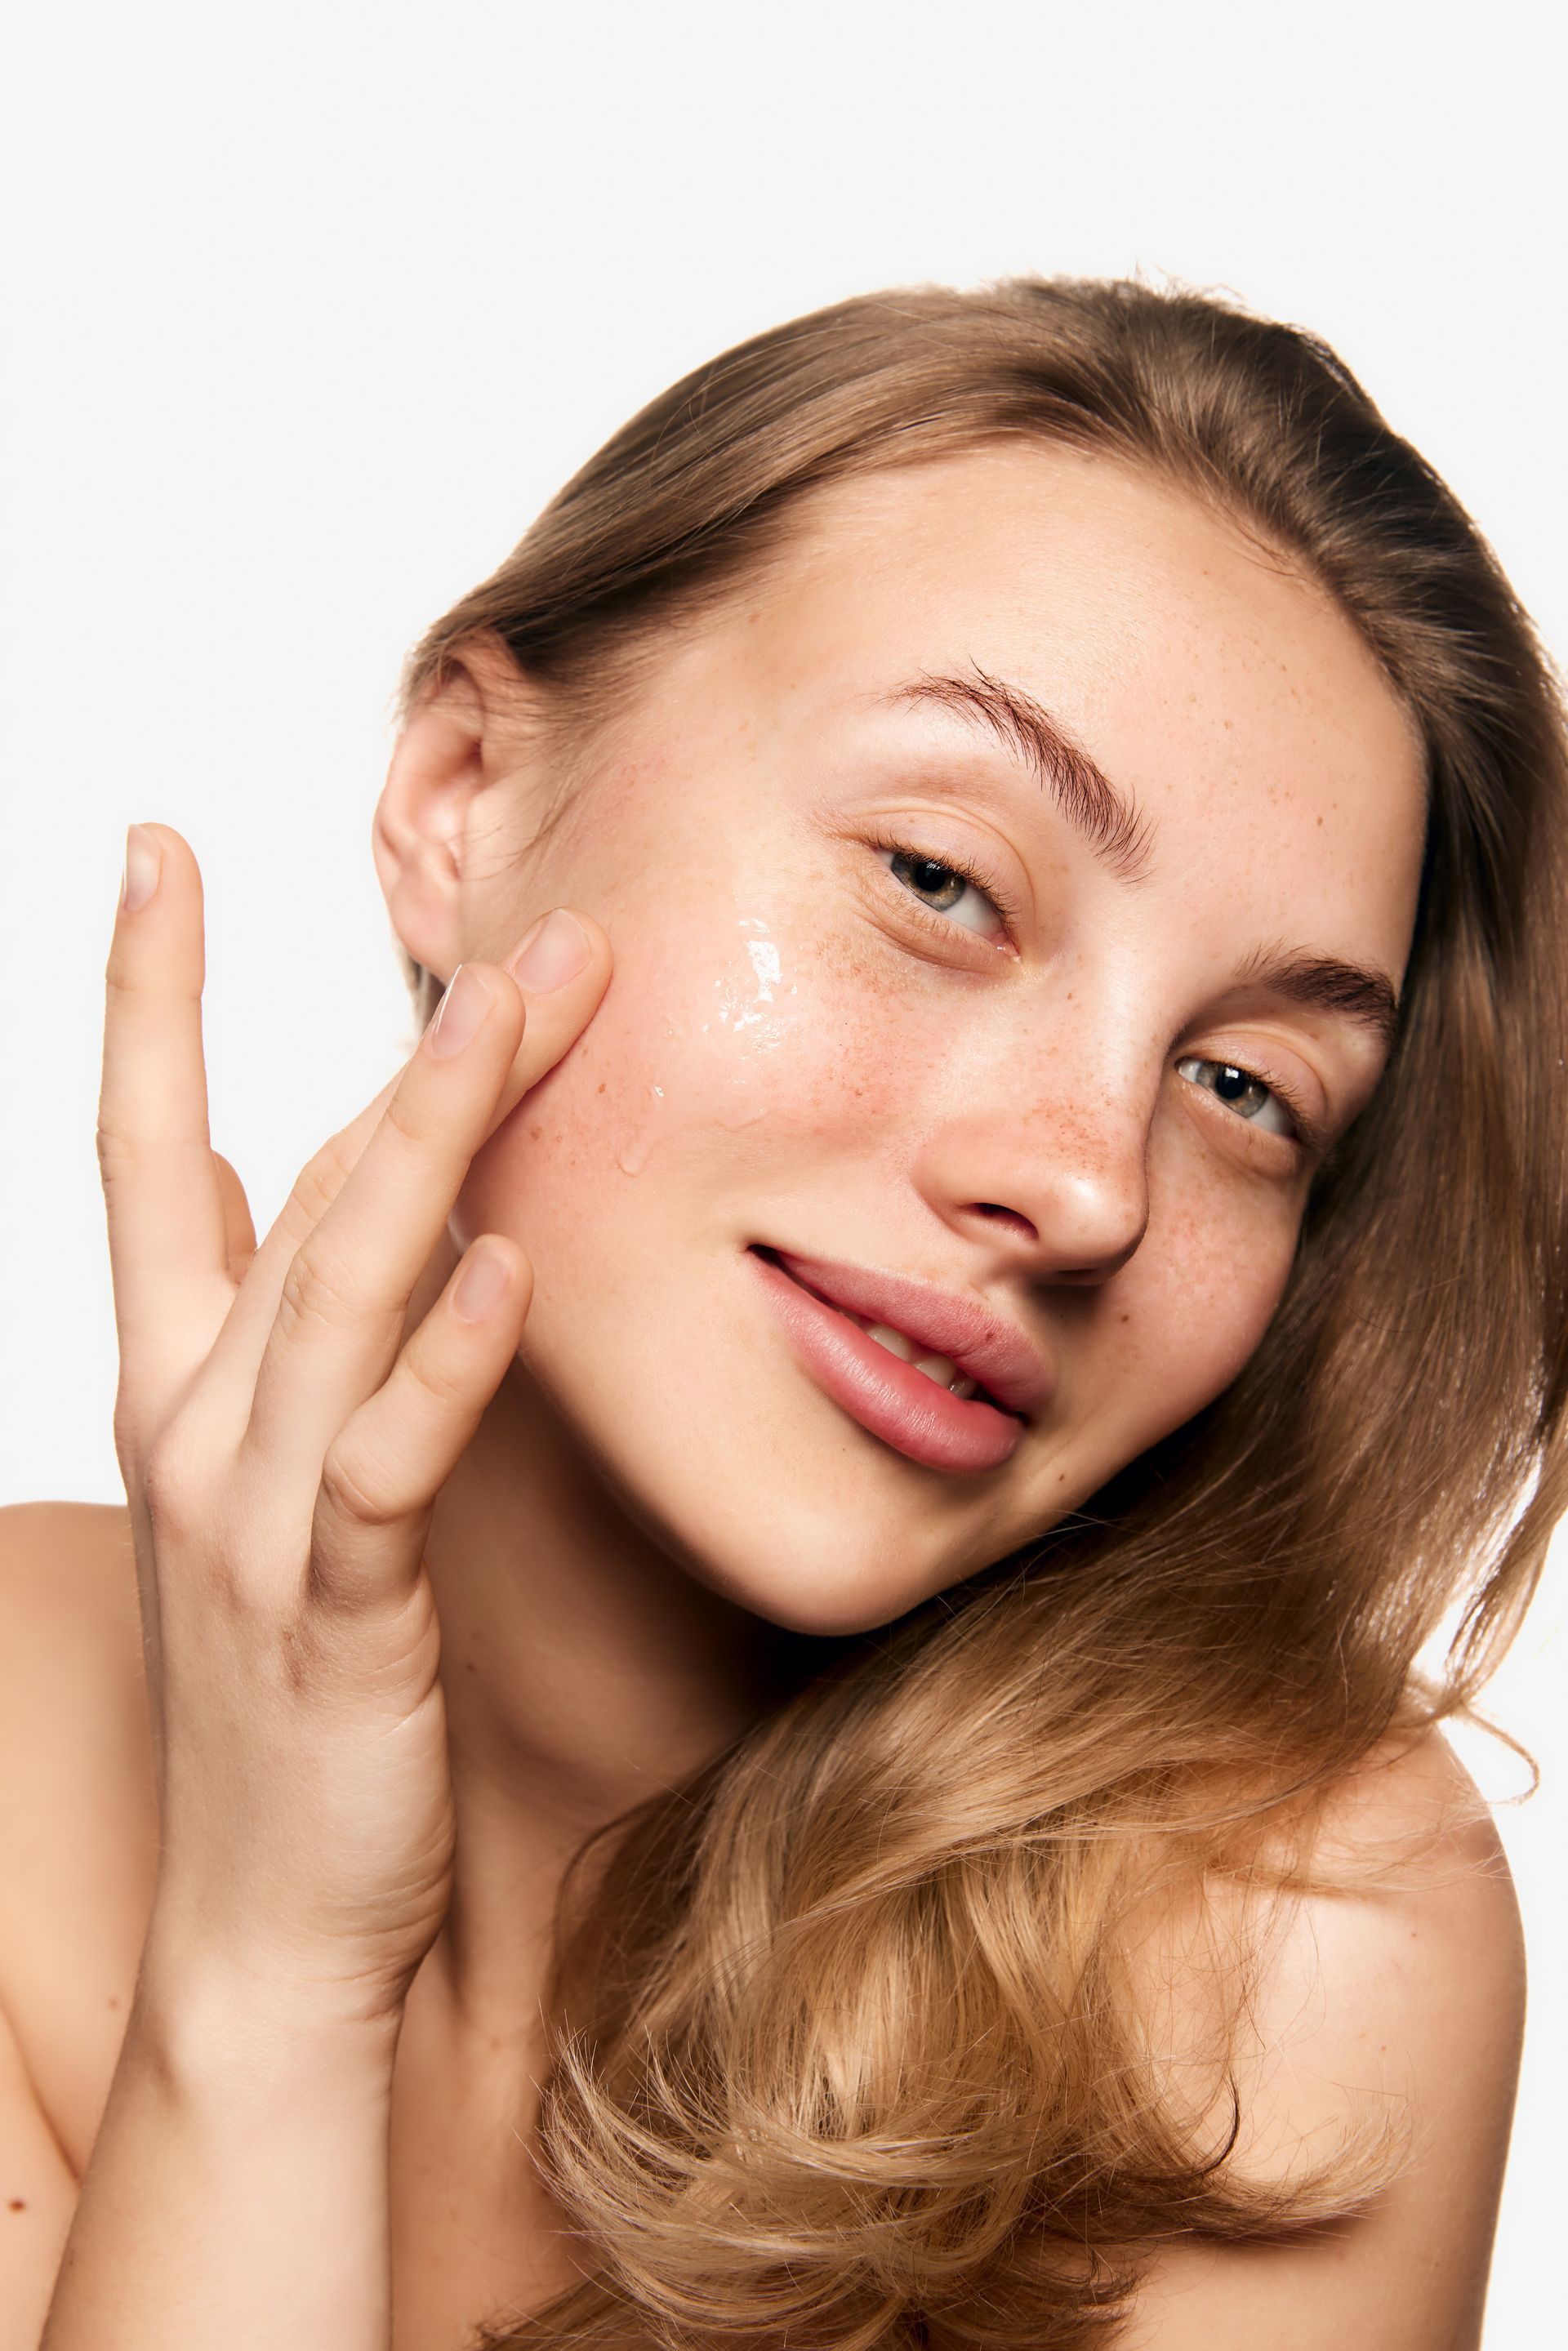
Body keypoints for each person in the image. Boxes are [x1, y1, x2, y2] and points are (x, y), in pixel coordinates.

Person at [2, 277, 1563, 2351]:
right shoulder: (20, 1728)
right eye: (940, 879)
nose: (1092, 1182)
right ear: (466, 788)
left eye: (1249, 1088)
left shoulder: (1286, 1940)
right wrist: (262, 1977)